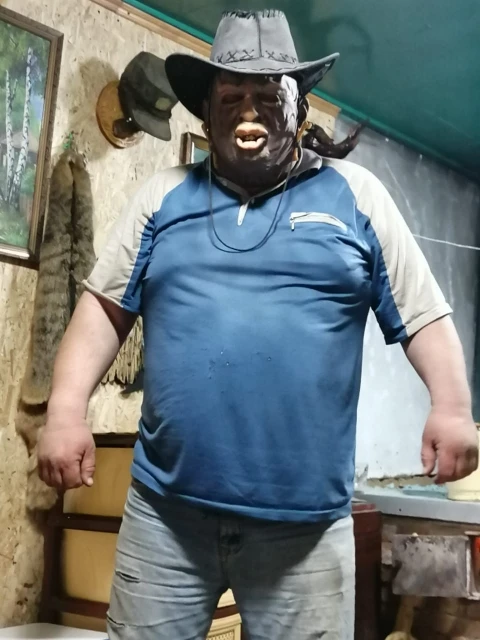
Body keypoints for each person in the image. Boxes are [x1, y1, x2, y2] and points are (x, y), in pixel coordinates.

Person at [37, 10, 478, 640]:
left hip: (306, 532)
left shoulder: (357, 196)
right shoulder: (162, 198)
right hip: (166, 519)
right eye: (232, 97)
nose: (250, 111)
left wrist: (453, 407)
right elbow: (103, 309)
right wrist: (64, 412)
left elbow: (423, 313)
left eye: (270, 96)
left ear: (299, 110)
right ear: (206, 113)